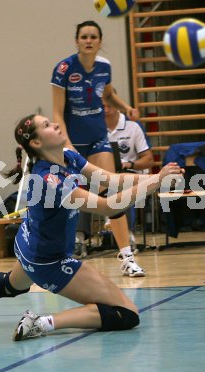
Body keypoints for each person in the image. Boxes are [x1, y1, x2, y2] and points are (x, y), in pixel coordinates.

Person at [0, 114, 183, 340]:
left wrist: (149, 178)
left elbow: (110, 180)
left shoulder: (67, 157)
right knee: (127, 313)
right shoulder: (50, 181)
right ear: (37, 141)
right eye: (47, 125)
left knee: (8, 285)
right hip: (49, 259)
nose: (55, 124)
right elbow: (109, 206)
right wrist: (156, 182)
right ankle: (42, 323)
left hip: (30, 246)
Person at [50, 20, 144, 276]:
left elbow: (109, 94)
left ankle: (127, 257)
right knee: (66, 199)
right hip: (72, 143)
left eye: (93, 37)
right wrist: (66, 146)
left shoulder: (104, 66)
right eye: (84, 37)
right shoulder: (64, 69)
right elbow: (57, 113)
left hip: (98, 139)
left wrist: (126, 109)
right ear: (77, 41)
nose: (88, 41)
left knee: (110, 190)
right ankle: (57, 257)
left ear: (100, 42)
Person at [104, 94, 154, 254]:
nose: (105, 109)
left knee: (123, 186)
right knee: (78, 188)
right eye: (102, 106)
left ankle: (128, 235)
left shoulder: (133, 126)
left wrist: (131, 163)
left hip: (128, 173)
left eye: (109, 105)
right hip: (102, 175)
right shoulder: (94, 128)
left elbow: (148, 159)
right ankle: (79, 238)